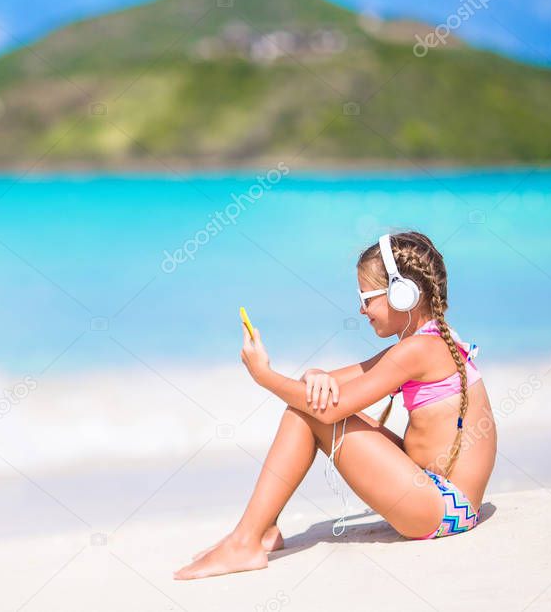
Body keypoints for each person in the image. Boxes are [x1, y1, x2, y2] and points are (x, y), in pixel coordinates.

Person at [174, 230, 497, 580]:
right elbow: (338, 381)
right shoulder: (428, 341)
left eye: (367, 297)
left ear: (403, 295)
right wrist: (316, 375)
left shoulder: (416, 351)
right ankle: (260, 532)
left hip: (441, 508)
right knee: (305, 405)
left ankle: (247, 541)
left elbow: (328, 411)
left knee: (308, 412)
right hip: (444, 500)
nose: (361, 309)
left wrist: (264, 376)